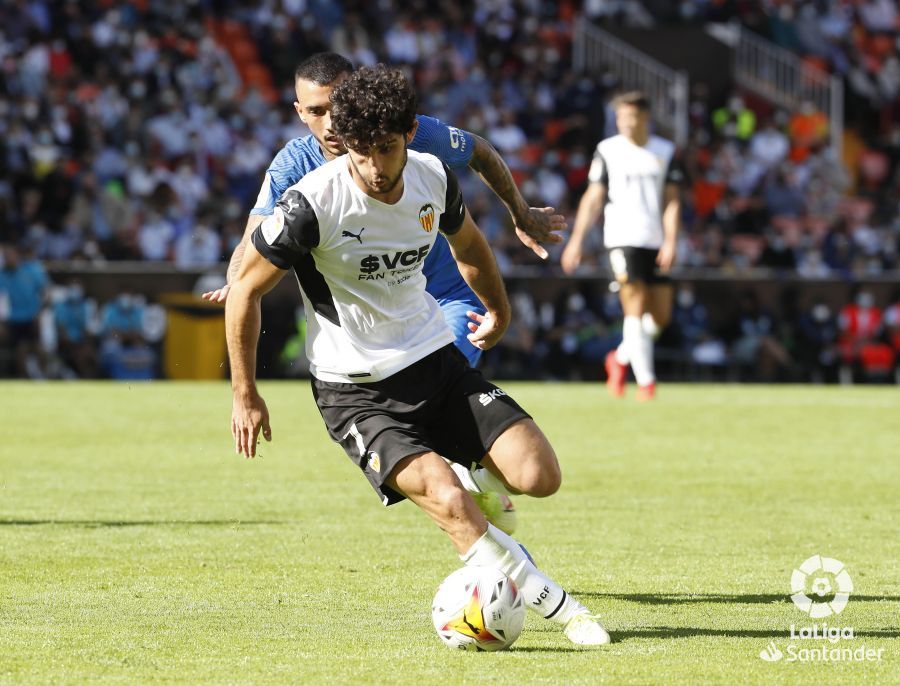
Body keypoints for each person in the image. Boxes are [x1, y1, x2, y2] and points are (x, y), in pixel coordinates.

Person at [225, 65, 610, 647]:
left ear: (408, 134)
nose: (376, 169)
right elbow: (246, 290)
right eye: (361, 153)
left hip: (433, 360)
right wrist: (245, 393)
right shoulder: (310, 202)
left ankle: (481, 516)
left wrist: (499, 309)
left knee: (539, 475)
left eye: (386, 149)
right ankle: (558, 606)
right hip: (355, 390)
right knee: (449, 500)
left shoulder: (432, 175)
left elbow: (472, 245)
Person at [205, 51, 564, 531]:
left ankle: (464, 484)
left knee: (447, 400)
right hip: (373, 326)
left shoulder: (411, 133)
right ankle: (465, 500)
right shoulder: (296, 167)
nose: (331, 121)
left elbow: (478, 150)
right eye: (315, 111)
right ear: (298, 112)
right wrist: (235, 282)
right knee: (441, 458)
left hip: (441, 302)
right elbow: (253, 240)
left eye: (338, 104)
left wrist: (521, 213)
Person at [561, 91, 683, 400]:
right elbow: (593, 197)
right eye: (620, 117)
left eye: (631, 116)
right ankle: (646, 383)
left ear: (645, 118)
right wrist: (575, 240)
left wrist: (670, 241)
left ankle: (620, 358)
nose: (625, 122)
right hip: (621, 238)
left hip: (655, 240)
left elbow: (672, 201)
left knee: (659, 317)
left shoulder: (664, 151)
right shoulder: (608, 150)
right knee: (634, 305)